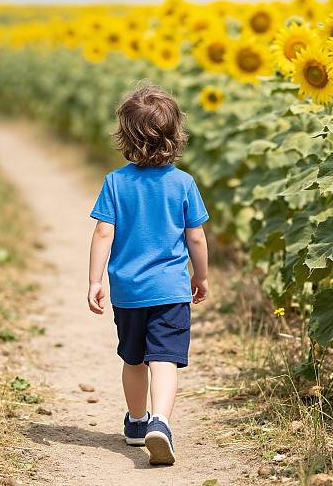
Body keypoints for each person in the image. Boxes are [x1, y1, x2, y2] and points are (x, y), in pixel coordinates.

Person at [87, 84, 209, 466]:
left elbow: (103, 233)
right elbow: (196, 238)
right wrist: (200, 277)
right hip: (171, 289)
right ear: (176, 136)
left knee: (134, 359)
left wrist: (95, 281)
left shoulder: (115, 182)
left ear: (124, 136)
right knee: (165, 360)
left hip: (128, 292)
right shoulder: (183, 183)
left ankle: (137, 422)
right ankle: (161, 421)